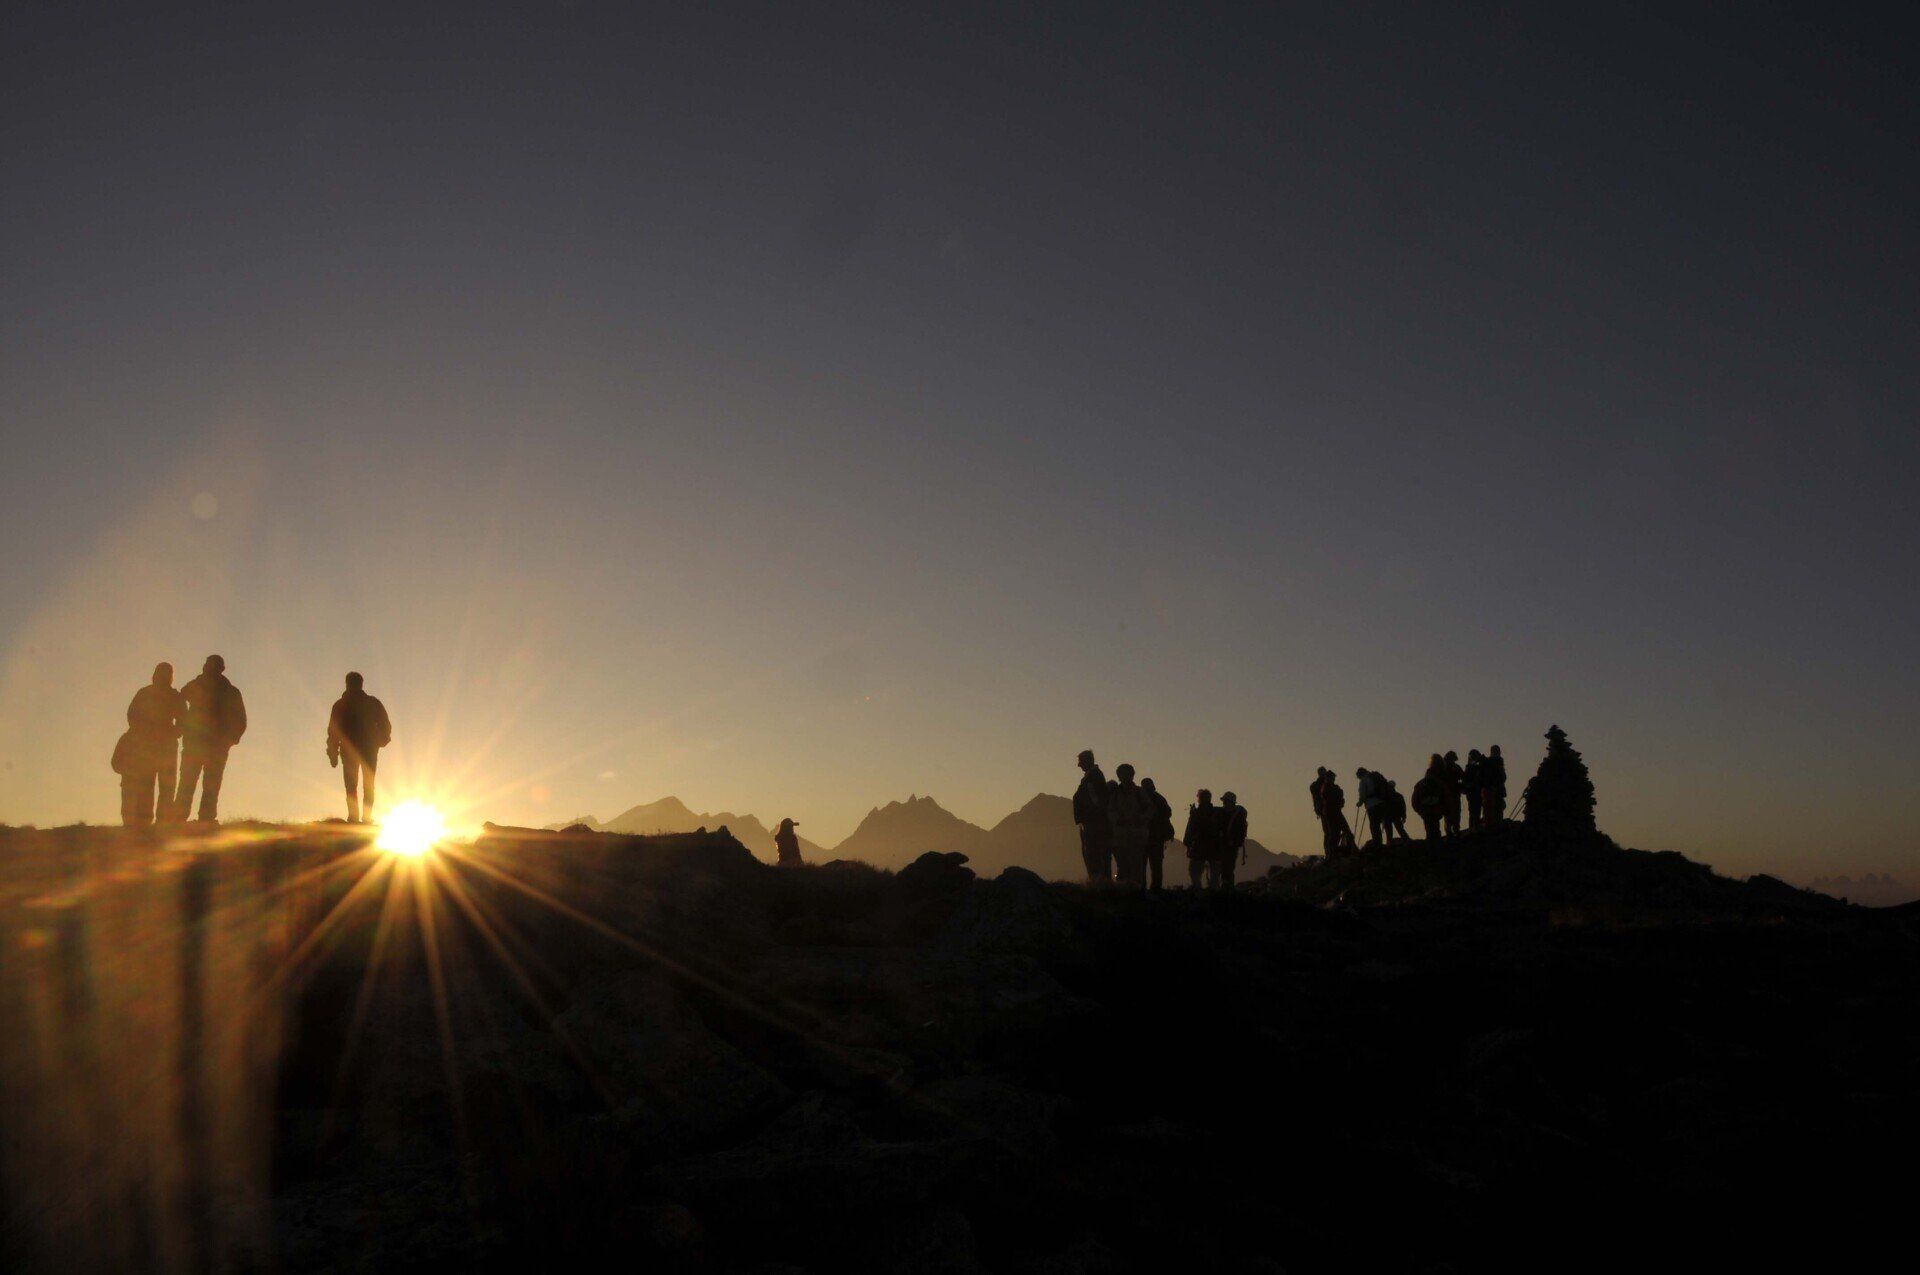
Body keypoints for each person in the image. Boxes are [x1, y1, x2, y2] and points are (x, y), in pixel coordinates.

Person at [174, 655, 246, 822]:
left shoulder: (230, 692)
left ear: (220, 669)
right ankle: (178, 818)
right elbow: (179, 700)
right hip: (194, 744)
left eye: (211, 665)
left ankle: (205, 819)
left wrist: (229, 740)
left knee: (210, 785)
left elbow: (240, 719)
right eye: (207, 664)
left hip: (216, 747)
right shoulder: (196, 685)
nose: (207, 667)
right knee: (187, 782)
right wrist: (182, 725)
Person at [121, 662, 183, 825]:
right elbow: (132, 715)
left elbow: (184, 721)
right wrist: (144, 732)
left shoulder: (173, 696)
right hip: (148, 746)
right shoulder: (145, 693)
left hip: (165, 745)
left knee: (165, 785)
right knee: (147, 783)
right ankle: (145, 821)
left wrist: (173, 732)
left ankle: (162, 821)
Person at [326, 672, 391, 824]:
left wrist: (333, 753)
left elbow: (333, 733)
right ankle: (361, 818)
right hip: (365, 750)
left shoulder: (341, 705)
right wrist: (380, 741)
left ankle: (357, 818)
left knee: (354, 785)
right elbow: (385, 726)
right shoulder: (370, 703)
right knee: (363, 786)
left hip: (357, 750)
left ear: (347, 684)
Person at [1106, 764, 1152, 890]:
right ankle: (1123, 890)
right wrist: (1118, 819)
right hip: (1121, 836)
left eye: (1126, 774)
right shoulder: (1115, 794)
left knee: (1136, 865)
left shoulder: (1139, 792)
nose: (1124, 777)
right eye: (1121, 774)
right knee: (1122, 865)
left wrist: (1139, 819)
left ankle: (1136, 890)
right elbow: (1110, 811)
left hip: (1136, 836)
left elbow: (1149, 809)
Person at [1073, 749, 1111, 887]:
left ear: (1088, 761)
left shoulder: (1093, 777)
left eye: (1080, 761)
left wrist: (1091, 815)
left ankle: (1098, 883)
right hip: (1091, 821)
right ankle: (1099, 882)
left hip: (1093, 823)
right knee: (1093, 853)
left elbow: (1097, 800)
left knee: (1093, 853)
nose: (1078, 765)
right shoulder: (1093, 776)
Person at [1182, 789, 1221, 889]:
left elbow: (1190, 829)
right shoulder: (1217, 812)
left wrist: (1187, 843)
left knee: (1194, 872)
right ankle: (1215, 893)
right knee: (1215, 874)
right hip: (1214, 847)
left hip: (1199, 847)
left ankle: (1197, 890)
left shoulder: (1196, 813)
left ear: (1199, 799)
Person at [1141, 777, 1174, 892]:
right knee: (1156, 864)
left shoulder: (1142, 799)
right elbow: (1168, 813)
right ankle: (1156, 887)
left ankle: (1143, 887)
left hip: (1147, 837)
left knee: (1143, 864)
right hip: (1157, 837)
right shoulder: (1159, 798)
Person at [1218, 791, 1248, 891]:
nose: (1224, 803)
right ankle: (1226, 889)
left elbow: (1240, 833)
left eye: (1225, 801)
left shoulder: (1237, 817)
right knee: (1224, 868)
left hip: (1231, 847)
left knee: (1227, 869)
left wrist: (1233, 842)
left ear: (1230, 802)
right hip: (1224, 845)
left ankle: (1227, 889)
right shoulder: (1226, 814)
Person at [1319, 771, 1353, 857]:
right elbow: (1332, 798)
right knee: (1335, 832)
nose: (1333, 779)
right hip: (1331, 812)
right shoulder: (1327, 787)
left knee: (1342, 831)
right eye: (1332, 777)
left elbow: (1339, 798)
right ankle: (1333, 852)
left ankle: (1337, 851)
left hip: (1334, 811)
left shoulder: (1330, 787)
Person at [1356, 768, 1391, 847]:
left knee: (1374, 825)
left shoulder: (1363, 781)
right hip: (1382, 803)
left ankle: (1377, 843)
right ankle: (1389, 841)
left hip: (1372, 805)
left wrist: (1360, 803)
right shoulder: (1374, 777)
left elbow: (1363, 795)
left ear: (1360, 775)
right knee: (1385, 823)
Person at [1412, 760, 1445, 841]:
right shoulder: (1439, 783)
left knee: (1429, 829)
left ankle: (1431, 845)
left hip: (1426, 810)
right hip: (1435, 810)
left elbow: (1414, 799)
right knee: (1435, 828)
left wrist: (1419, 810)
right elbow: (1445, 796)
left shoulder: (1420, 783)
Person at [1438, 750, 1465, 838]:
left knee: (1453, 813)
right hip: (1449, 794)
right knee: (1450, 813)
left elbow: (1462, 777)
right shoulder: (1447, 768)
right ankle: (1452, 830)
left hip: (1452, 794)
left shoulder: (1450, 768)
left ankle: (1453, 830)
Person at [1482, 745, 1508, 825]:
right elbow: (1501, 777)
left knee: (1497, 807)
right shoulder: (1496, 762)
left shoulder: (1491, 762)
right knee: (1496, 807)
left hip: (1494, 790)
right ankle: (1494, 823)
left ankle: (1494, 823)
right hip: (1493, 790)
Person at [1462, 749, 1486, 831]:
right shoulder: (1471, 769)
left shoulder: (1471, 769)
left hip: (1476, 793)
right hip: (1474, 794)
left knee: (1475, 813)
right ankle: (1474, 829)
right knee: (1474, 813)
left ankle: (1474, 828)